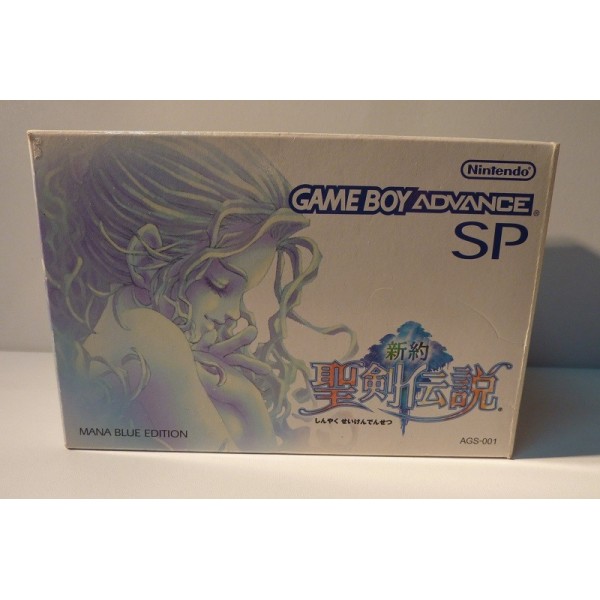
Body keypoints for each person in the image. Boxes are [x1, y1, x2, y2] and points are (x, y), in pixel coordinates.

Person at [35, 134, 356, 451]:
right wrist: (251, 403)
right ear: (145, 258)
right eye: (220, 285)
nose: (237, 316)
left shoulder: (125, 328)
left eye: (242, 295)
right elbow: (240, 469)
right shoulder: (149, 334)